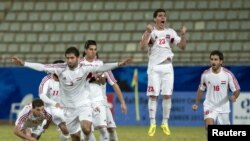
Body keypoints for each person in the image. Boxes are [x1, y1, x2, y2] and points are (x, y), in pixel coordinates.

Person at [12, 46, 131, 141]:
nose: (69, 60)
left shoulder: (85, 68)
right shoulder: (60, 68)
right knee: (75, 137)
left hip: (83, 104)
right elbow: (42, 67)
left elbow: (102, 67)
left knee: (86, 128)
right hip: (68, 109)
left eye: (72, 58)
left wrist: (119, 64)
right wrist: (24, 63)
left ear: (78, 58)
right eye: (67, 58)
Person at [139, 8, 187, 136]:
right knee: (153, 95)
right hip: (154, 67)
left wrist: (183, 34)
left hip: (168, 67)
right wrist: (147, 33)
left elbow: (182, 47)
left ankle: (165, 123)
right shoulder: (151, 32)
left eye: (164, 16)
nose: (163, 18)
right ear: (155, 19)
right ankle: (152, 123)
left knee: (167, 95)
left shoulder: (170, 32)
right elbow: (142, 46)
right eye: (160, 16)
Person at [81, 40, 127, 141]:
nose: (93, 52)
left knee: (111, 130)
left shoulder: (102, 65)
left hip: (101, 101)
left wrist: (122, 102)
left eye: (95, 49)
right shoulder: (79, 64)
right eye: (91, 49)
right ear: (85, 50)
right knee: (90, 130)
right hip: (85, 103)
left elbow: (114, 84)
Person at [192, 50, 240, 138]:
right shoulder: (205, 74)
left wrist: (235, 96)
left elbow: (237, 89)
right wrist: (196, 103)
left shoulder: (228, 74)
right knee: (209, 126)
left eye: (216, 59)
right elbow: (200, 89)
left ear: (221, 61)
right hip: (210, 105)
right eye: (212, 59)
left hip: (223, 108)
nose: (213, 62)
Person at [38, 60, 69, 141]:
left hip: (62, 108)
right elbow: (42, 96)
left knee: (66, 130)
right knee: (40, 130)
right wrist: (54, 103)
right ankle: (40, 130)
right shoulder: (47, 80)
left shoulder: (67, 79)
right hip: (49, 107)